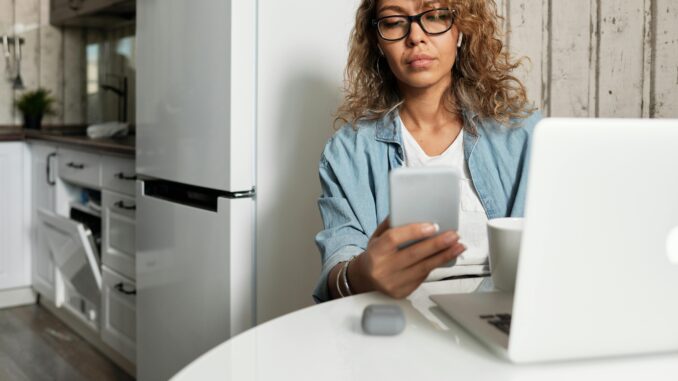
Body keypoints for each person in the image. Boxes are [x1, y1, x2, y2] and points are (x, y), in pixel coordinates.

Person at [313, 0, 541, 303]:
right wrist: (361, 274)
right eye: (394, 22)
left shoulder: (522, 134)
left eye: (435, 16)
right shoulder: (347, 153)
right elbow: (338, 267)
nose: (416, 36)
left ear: (462, 30)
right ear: (378, 42)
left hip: (502, 314)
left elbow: (548, 254)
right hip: (399, 319)